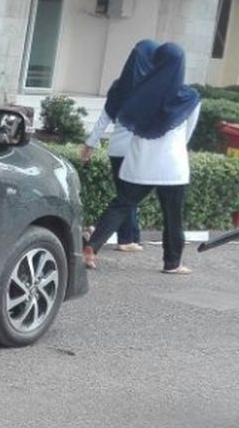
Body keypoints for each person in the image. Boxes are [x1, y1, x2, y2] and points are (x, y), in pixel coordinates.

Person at [82, 42, 200, 275]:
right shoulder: (190, 97)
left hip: (141, 161)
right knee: (173, 216)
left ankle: (92, 247)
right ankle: (172, 262)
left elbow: (125, 119)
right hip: (172, 165)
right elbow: (188, 133)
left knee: (122, 204)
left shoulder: (138, 90)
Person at [79, 40, 158, 253]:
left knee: (125, 195)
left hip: (116, 150)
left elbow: (104, 119)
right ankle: (111, 238)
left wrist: (90, 145)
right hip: (136, 151)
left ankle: (127, 238)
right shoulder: (151, 88)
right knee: (127, 198)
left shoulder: (118, 86)